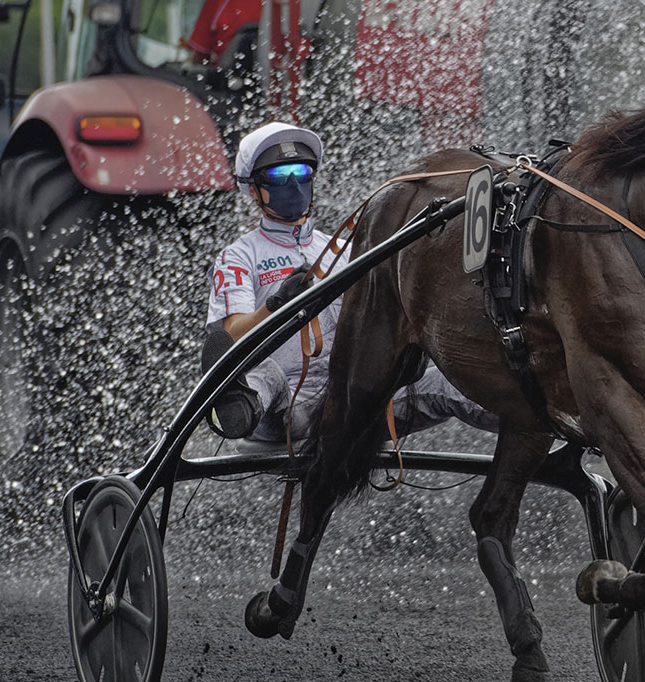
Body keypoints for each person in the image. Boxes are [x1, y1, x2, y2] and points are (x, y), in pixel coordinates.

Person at [202, 121, 498, 443]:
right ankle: (233, 409)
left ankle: (539, 416)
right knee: (266, 373)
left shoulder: (343, 248)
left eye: (301, 172)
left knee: (445, 382)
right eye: (278, 176)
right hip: (286, 409)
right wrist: (275, 306)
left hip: (353, 400)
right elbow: (230, 338)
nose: (293, 183)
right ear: (254, 190)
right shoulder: (237, 256)